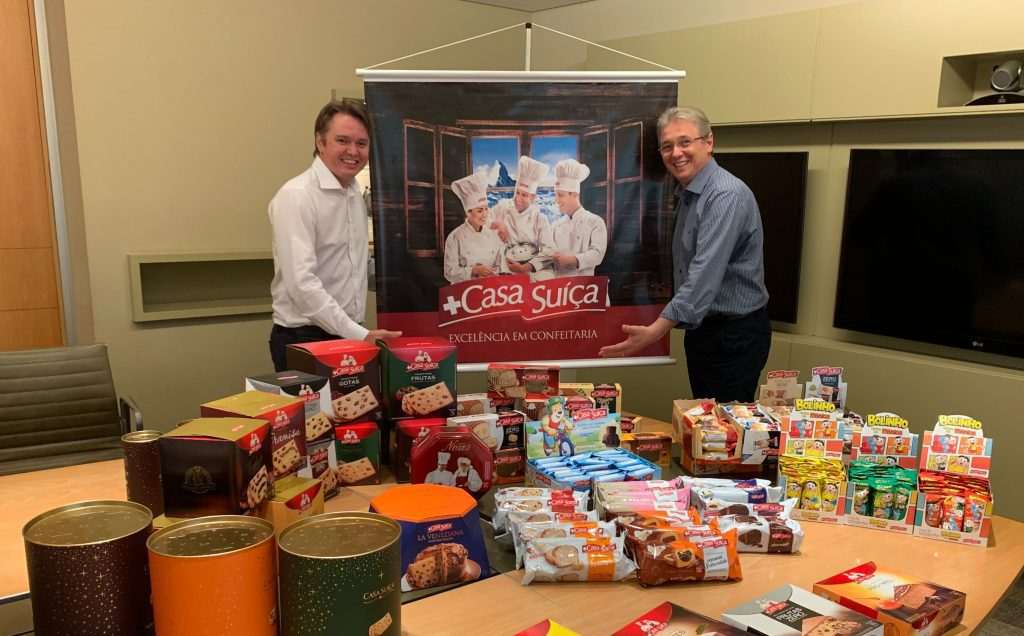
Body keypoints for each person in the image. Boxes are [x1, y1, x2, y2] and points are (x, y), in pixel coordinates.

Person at [599, 106, 771, 403]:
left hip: (734, 334)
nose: (676, 153)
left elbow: (704, 273)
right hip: (703, 329)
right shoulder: (689, 193)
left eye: (685, 142)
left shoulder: (725, 195)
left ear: (709, 142)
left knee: (723, 426)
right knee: (705, 420)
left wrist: (656, 331)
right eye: (667, 146)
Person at [267, 100, 400, 371]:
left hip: (349, 334)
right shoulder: (297, 196)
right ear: (320, 142)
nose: (353, 151)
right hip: (306, 339)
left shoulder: (353, 194)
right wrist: (359, 334)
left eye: (361, 143)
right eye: (342, 140)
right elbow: (302, 284)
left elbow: (353, 266)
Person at [488, 155, 556, 280]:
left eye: (524, 195)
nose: (518, 199)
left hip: (532, 270)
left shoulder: (540, 219)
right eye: (517, 193)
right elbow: (482, 219)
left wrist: (527, 267)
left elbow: (549, 250)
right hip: (507, 267)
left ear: (533, 197)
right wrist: (498, 224)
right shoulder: (503, 207)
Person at [442, 170, 504, 283]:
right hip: (464, 289)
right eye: (480, 211)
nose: (485, 215)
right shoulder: (455, 237)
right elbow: (449, 273)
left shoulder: (493, 235)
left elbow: (501, 266)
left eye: (486, 209)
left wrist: (492, 273)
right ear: (468, 213)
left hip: (490, 288)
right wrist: (473, 271)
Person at [550, 158, 607, 277]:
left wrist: (574, 260)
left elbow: (597, 254)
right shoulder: (555, 226)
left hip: (584, 286)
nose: (556, 200)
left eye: (560, 195)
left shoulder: (595, 222)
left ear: (575, 194)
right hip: (559, 286)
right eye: (556, 195)